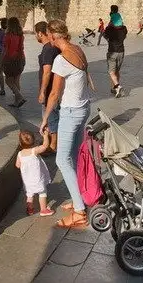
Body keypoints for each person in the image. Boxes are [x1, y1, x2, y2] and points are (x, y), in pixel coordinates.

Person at [40, 19, 93, 229]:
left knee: (62, 160)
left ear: (52, 36)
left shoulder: (61, 60)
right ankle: (79, 198)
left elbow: (55, 93)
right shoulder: (78, 49)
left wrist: (45, 118)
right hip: (84, 108)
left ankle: (80, 211)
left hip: (71, 112)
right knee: (74, 157)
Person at [16, 130, 54, 216]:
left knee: (29, 195)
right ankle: (43, 210)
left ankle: (30, 209)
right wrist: (45, 136)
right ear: (34, 141)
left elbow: (17, 165)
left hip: (27, 181)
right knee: (42, 193)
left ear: (20, 143)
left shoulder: (20, 154)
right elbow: (45, 146)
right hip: (38, 179)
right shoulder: (34, 151)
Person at [35, 21, 59, 152]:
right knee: (51, 116)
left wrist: (42, 91)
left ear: (40, 33)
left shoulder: (48, 49)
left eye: (36, 34)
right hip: (54, 88)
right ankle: (49, 140)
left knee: (51, 116)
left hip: (50, 90)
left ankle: (53, 145)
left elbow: (47, 71)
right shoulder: (52, 47)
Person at [104, 8, 128, 98]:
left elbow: (105, 35)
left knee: (111, 71)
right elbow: (124, 34)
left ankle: (118, 86)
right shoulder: (124, 29)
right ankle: (115, 88)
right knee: (117, 71)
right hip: (121, 52)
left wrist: (110, 24)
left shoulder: (110, 29)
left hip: (112, 52)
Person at [2, 17, 26, 108]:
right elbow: (21, 48)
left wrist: (3, 60)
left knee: (8, 80)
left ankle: (19, 96)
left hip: (10, 59)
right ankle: (17, 102)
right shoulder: (21, 35)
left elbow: (6, 50)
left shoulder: (8, 35)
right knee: (16, 80)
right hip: (21, 58)